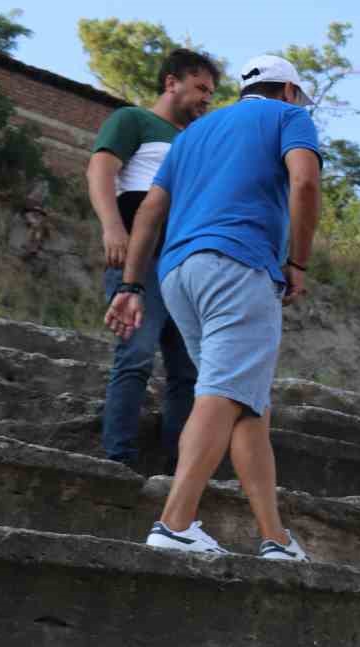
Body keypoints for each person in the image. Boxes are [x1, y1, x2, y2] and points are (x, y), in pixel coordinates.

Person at [105, 55, 321, 560]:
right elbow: (305, 184)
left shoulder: (195, 134)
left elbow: (151, 211)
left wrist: (132, 285)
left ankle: (276, 538)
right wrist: (299, 262)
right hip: (238, 264)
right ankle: (175, 523)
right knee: (224, 391)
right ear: (288, 90)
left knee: (247, 406)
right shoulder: (290, 118)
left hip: (178, 272)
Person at [87, 50, 220, 470]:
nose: (207, 99)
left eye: (212, 93)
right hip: (140, 260)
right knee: (137, 355)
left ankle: (177, 473)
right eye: (201, 88)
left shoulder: (199, 141)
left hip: (186, 266)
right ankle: (117, 461)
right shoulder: (133, 120)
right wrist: (112, 227)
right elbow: (100, 170)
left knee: (189, 373)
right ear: (171, 83)